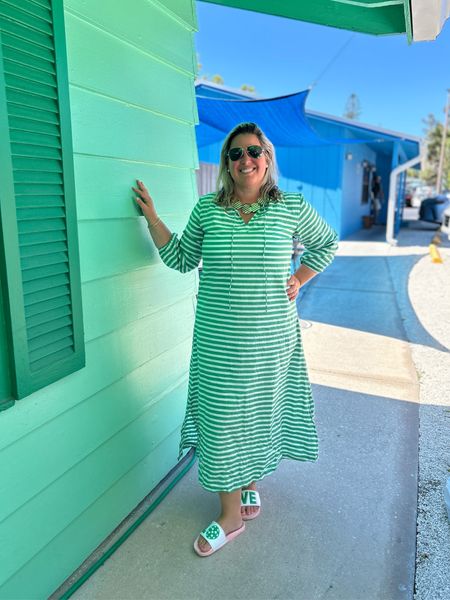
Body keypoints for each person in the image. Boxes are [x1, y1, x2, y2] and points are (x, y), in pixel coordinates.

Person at [132, 122, 338, 557]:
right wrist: (152, 217)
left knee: (257, 413)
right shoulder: (207, 209)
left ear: (267, 158)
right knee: (224, 419)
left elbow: (326, 245)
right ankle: (229, 516)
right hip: (219, 343)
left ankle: (248, 485)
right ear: (227, 163)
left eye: (254, 151)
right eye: (236, 153)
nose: (246, 159)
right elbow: (181, 258)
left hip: (271, 341)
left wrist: (298, 278)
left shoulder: (292, 207)